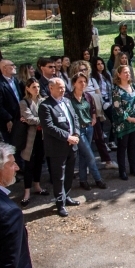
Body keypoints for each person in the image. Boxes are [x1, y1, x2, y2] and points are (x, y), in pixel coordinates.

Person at [39, 78, 81, 217]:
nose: (63, 90)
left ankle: (66, 196)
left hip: (71, 145)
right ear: (51, 88)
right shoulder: (45, 106)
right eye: (60, 88)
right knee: (59, 177)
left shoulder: (67, 101)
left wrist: (75, 134)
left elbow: (74, 118)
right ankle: (59, 203)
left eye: (63, 87)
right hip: (57, 147)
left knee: (69, 173)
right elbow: (49, 127)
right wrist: (67, 137)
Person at [68, 72, 107, 191]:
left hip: (89, 127)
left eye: (84, 81)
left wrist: (94, 118)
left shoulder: (88, 96)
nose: (83, 84)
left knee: (83, 155)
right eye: (80, 81)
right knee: (90, 155)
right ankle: (98, 178)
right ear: (74, 83)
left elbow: (93, 108)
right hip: (77, 130)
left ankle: (83, 180)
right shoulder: (68, 98)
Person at [18, 78, 49, 207]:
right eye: (33, 87)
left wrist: (38, 120)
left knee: (38, 163)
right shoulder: (24, 102)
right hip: (30, 138)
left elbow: (47, 117)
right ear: (27, 88)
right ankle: (26, 192)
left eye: (37, 87)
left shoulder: (43, 101)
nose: (36, 89)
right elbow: (29, 119)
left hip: (41, 137)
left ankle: (37, 186)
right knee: (29, 164)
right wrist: (41, 120)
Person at [112, 65, 135, 181]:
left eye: (129, 72)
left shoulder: (133, 86)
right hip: (123, 124)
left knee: (132, 146)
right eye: (125, 72)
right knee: (122, 147)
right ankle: (122, 171)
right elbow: (118, 109)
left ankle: (133, 168)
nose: (127, 74)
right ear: (119, 75)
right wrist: (129, 118)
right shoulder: (116, 90)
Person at [0, 60, 24, 147]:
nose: (15, 67)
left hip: (19, 118)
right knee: (13, 146)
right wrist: (8, 119)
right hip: (8, 122)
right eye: (12, 65)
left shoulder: (15, 80)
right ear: (4, 68)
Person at [93, 57, 116, 150]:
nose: (100, 66)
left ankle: (111, 141)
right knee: (101, 122)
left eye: (102, 63)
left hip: (108, 100)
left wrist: (111, 101)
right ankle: (103, 144)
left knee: (114, 120)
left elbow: (111, 89)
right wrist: (103, 102)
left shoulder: (107, 75)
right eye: (98, 64)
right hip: (99, 101)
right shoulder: (93, 77)